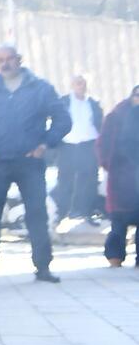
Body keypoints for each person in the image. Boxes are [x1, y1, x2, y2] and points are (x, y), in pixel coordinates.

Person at [0, 43, 71, 283]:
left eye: (9, 59)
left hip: (29, 162)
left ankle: (43, 267)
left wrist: (45, 143)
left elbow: (63, 119)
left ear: (19, 60)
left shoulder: (40, 88)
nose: (5, 63)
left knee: (37, 214)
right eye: (0, 59)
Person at [99, 83, 139, 267]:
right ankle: (115, 257)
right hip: (121, 175)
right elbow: (104, 142)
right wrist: (107, 163)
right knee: (118, 221)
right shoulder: (117, 115)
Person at [54, 73, 103, 222]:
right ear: (72, 85)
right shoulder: (64, 101)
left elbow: (99, 122)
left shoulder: (93, 103)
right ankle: (62, 212)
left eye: (82, 82)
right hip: (68, 146)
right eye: (77, 83)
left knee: (89, 178)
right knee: (65, 179)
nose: (80, 85)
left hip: (88, 145)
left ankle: (86, 210)